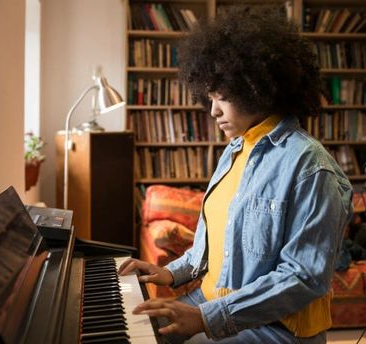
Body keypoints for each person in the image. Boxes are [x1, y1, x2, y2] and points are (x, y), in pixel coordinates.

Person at [118, 6, 353, 344]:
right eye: (210, 97)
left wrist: (206, 318)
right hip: (210, 303)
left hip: (274, 328)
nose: (212, 110)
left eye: (222, 98)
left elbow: (304, 277)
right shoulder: (234, 151)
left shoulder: (311, 167)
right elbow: (213, 246)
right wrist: (169, 273)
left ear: (256, 88)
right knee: (132, 330)